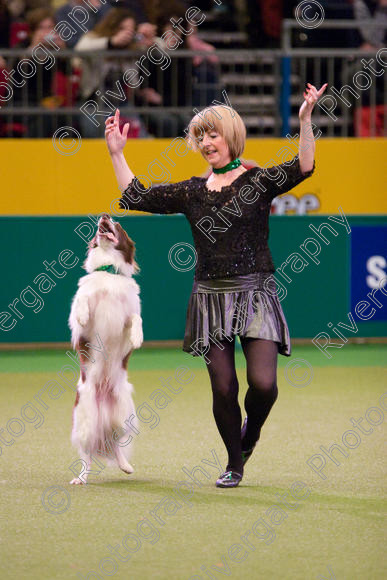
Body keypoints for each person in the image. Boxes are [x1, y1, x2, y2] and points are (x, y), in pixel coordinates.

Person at [104, 82, 327, 488]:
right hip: (210, 297)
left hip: (256, 292)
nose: (207, 142)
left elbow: (304, 167)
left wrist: (306, 120)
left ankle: (250, 435)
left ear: (232, 137)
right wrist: (117, 153)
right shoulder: (192, 191)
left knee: (264, 386)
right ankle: (233, 463)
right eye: (200, 136)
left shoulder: (257, 182)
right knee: (223, 387)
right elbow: (137, 196)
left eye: (213, 134)